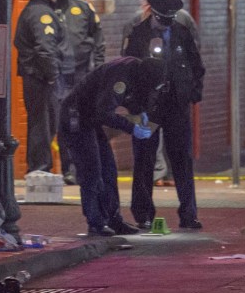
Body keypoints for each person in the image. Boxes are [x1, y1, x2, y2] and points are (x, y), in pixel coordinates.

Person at [122, 0, 205, 230]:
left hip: (176, 105)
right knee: (145, 160)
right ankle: (144, 214)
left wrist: (193, 93)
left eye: (170, 20)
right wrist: (134, 105)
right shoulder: (138, 34)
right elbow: (126, 69)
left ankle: (189, 214)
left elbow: (196, 65)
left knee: (182, 159)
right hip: (148, 106)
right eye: (162, 20)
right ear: (153, 14)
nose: (165, 25)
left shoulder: (181, 32)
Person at [58, 55, 165, 236]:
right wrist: (132, 127)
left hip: (89, 119)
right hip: (76, 117)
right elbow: (104, 112)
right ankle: (96, 223)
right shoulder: (120, 76)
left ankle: (113, 219)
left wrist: (139, 112)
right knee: (92, 171)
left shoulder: (134, 70)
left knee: (108, 169)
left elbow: (130, 98)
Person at [53, 0, 106, 185]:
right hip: (57, 77)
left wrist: (100, 71)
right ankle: (69, 168)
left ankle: (83, 166)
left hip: (82, 75)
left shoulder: (84, 8)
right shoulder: (46, 9)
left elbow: (99, 41)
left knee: (82, 122)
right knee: (62, 123)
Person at [14, 0, 66, 174]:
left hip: (37, 76)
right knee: (43, 124)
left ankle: (39, 167)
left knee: (43, 123)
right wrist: (53, 76)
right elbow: (45, 49)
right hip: (41, 78)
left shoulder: (34, 10)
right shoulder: (41, 14)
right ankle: (40, 168)